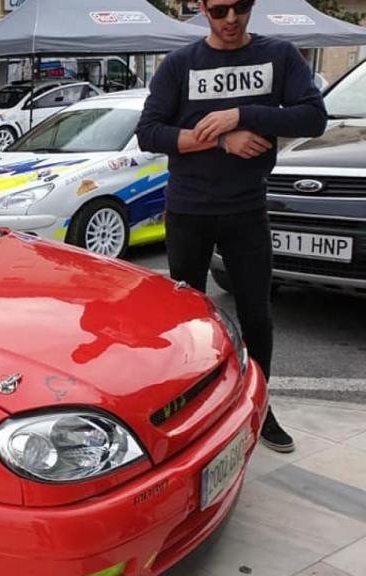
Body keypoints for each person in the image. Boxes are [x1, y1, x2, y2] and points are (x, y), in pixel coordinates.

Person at [136, 0, 327, 453]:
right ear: (201, 7)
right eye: (219, 9)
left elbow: (313, 118)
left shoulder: (278, 55)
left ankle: (259, 406)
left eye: (240, 6)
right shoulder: (181, 64)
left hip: (246, 209)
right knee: (187, 322)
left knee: (257, 315)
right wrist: (222, 139)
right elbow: (150, 133)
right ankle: (191, 411)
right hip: (188, 210)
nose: (230, 19)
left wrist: (243, 114)